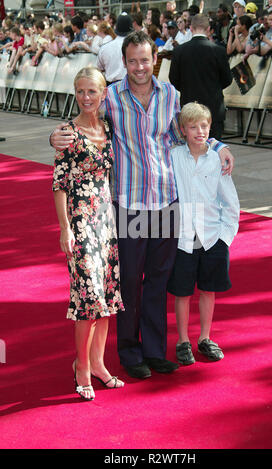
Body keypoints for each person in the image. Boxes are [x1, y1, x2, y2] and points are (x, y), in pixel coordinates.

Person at [50, 31, 235, 380]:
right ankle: (130, 352)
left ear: (155, 60)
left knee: (158, 280)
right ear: (125, 61)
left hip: (166, 202)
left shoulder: (170, 95)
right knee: (130, 280)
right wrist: (55, 135)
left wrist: (217, 144)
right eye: (133, 60)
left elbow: (188, 129)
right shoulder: (112, 97)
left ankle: (154, 351)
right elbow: (83, 114)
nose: (139, 67)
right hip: (129, 204)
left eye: (145, 60)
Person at [52, 67, 125, 401]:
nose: (86, 98)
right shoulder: (68, 133)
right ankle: (81, 367)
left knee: (106, 298)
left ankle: (99, 363)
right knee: (87, 300)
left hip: (105, 223)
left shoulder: (108, 127)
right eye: (80, 92)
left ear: (103, 94)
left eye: (92, 91)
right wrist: (65, 229)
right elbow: (59, 184)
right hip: (81, 224)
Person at [167, 102, 240, 365]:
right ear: (183, 130)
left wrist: (225, 238)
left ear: (211, 128)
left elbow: (230, 202)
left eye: (204, 126)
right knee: (182, 292)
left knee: (209, 290)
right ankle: (183, 340)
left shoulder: (217, 160)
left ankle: (205, 338)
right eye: (193, 126)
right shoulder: (174, 156)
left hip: (212, 236)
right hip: (183, 237)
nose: (199, 131)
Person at [169, 14, 233, 140]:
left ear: (191, 28)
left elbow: (174, 79)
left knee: (190, 149)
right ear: (209, 29)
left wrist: (187, 88)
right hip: (213, 106)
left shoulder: (179, 51)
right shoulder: (218, 51)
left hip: (189, 105)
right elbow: (227, 79)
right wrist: (214, 87)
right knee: (214, 149)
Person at [97, 14, 133, 85]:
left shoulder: (105, 48)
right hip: (130, 86)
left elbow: (99, 68)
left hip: (112, 86)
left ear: (116, 27)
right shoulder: (137, 47)